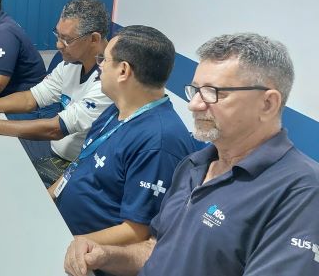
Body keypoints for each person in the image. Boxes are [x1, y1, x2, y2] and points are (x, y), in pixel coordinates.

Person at [64, 33, 319, 276]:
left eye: (212, 93)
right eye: (195, 90)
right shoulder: (193, 165)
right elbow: (155, 250)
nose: (194, 105)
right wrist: (106, 256)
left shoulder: (301, 191)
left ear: (267, 104)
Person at [49, 26, 197, 260]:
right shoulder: (116, 109)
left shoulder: (159, 142)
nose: (99, 66)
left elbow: (138, 232)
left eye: (104, 59)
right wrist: (49, 198)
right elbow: (81, 163)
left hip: (86, 255)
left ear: (124, 70)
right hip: (59, 225)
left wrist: (67, 243)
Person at [0, 0, 113, 185]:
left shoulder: (109, 82)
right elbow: (32, 98)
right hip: (54, 148)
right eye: (58, 35)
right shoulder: (71, 63)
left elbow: (55, 129)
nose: (58, 45)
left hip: (74, 165)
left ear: (93, 39)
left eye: (67, 39)